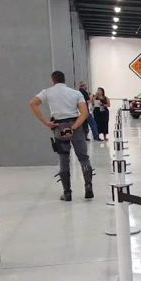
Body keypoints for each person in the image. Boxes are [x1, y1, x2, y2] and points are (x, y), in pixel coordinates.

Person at [29, 71, 94, 201]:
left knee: (64, 158)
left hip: (59, 127)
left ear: (52, 80)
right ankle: (88, 185)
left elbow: (32, 103)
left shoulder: (47, 92)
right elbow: (84, 113)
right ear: (65, 80)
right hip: (76, 126)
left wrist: (46, 122)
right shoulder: (76, 93)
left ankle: (67, 192)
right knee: (83, 157)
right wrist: (74, 127)